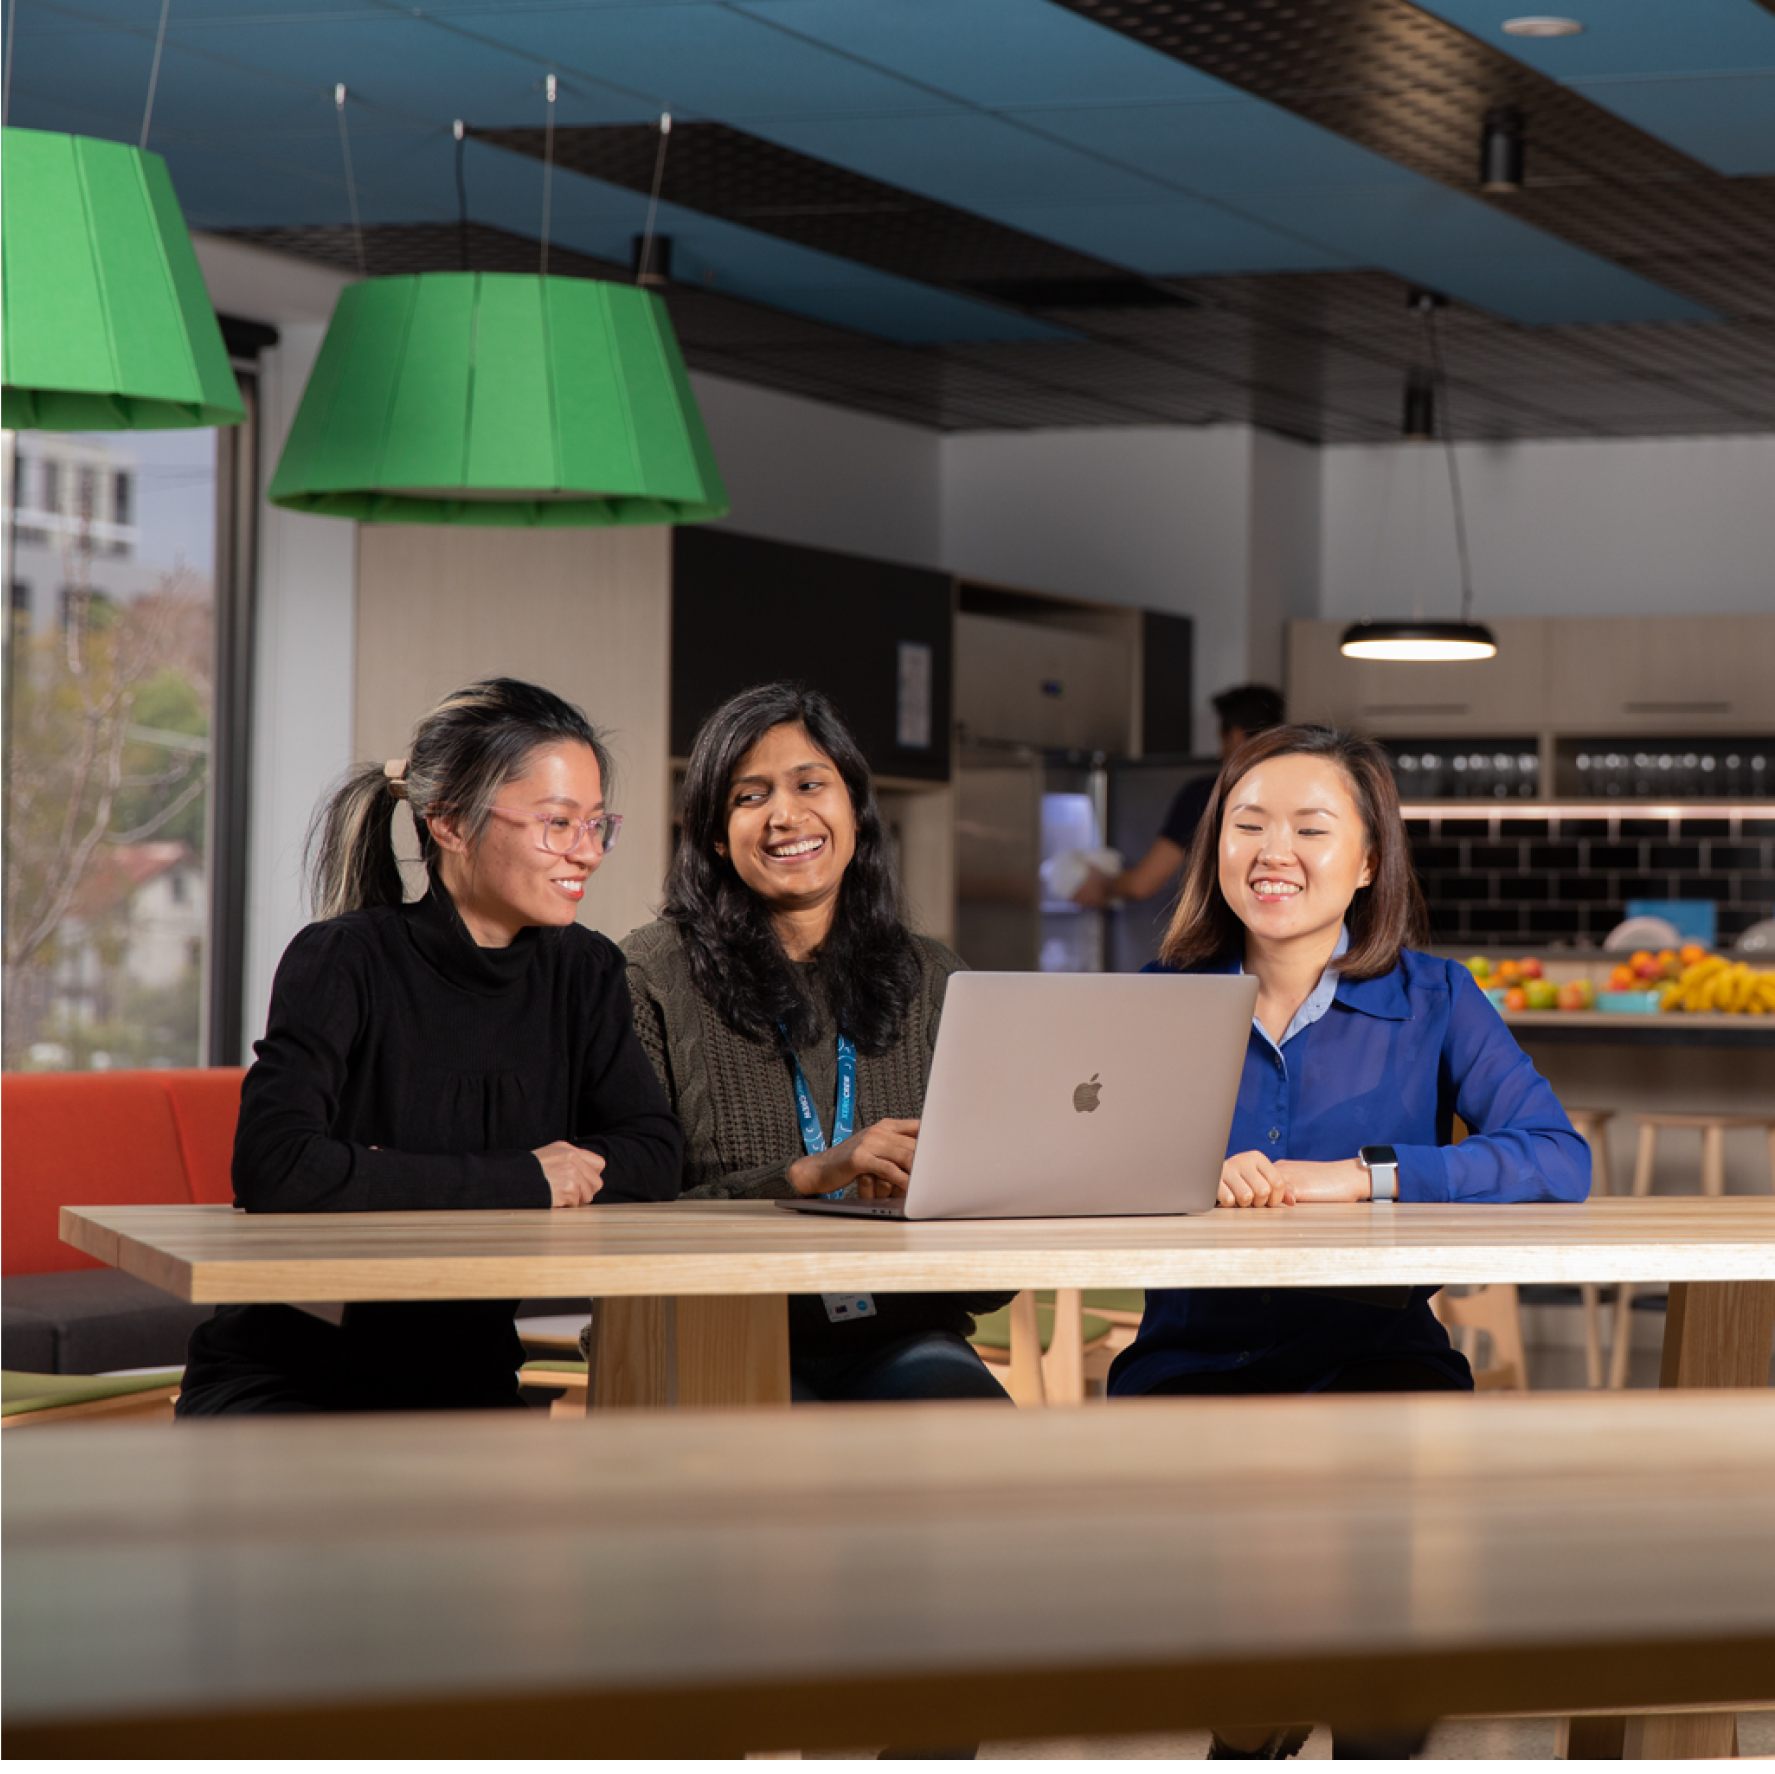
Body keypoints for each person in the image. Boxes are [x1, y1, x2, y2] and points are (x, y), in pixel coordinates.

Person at [1108, 722, 1588, 1761]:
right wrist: (1183, 1180)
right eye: (1246, 823)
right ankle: (1251, 1724)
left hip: (1376, 1362)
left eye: (1309, 827)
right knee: (1243, 1666)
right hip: (1196, 1370)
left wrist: (1362, 1176)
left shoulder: (1436, 999)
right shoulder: (1150, 1001)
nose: (1271, 849)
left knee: (1385, 1672)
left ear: (1367, 861)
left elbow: (1554, 1156)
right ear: (1214, 847)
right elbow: (1076, 1178)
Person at [177, 679, 682, 1416]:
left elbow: (654, 1155)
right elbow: (277, 1166)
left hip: (469, 1387)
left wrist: (379, 1174)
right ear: (448, 822)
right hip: (291, 1378)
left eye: (597, 825)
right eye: (557, 823)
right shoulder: (343, 960)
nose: (587, 854)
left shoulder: (585, 971)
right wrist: (527, 1178)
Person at [622, 682, 1014, 1404]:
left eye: (810, 784)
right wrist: (806, 1176)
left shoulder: (934, 978)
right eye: (750, 796)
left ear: (856, 814)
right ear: (714, 833)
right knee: (784, 1472)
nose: (785, 815)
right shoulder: (647, 976)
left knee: (974, 1444)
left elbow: (991, 1285)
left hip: (899, 1332)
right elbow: (623, 1219)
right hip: (713, 1326)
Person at [1073, 684, 1285, 908]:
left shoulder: (1207, 794)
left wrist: (1103, 884)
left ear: (1235, 736)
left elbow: (1142, 883)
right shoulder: (1297, 790)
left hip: (1230, 931)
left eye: (1220, 739)